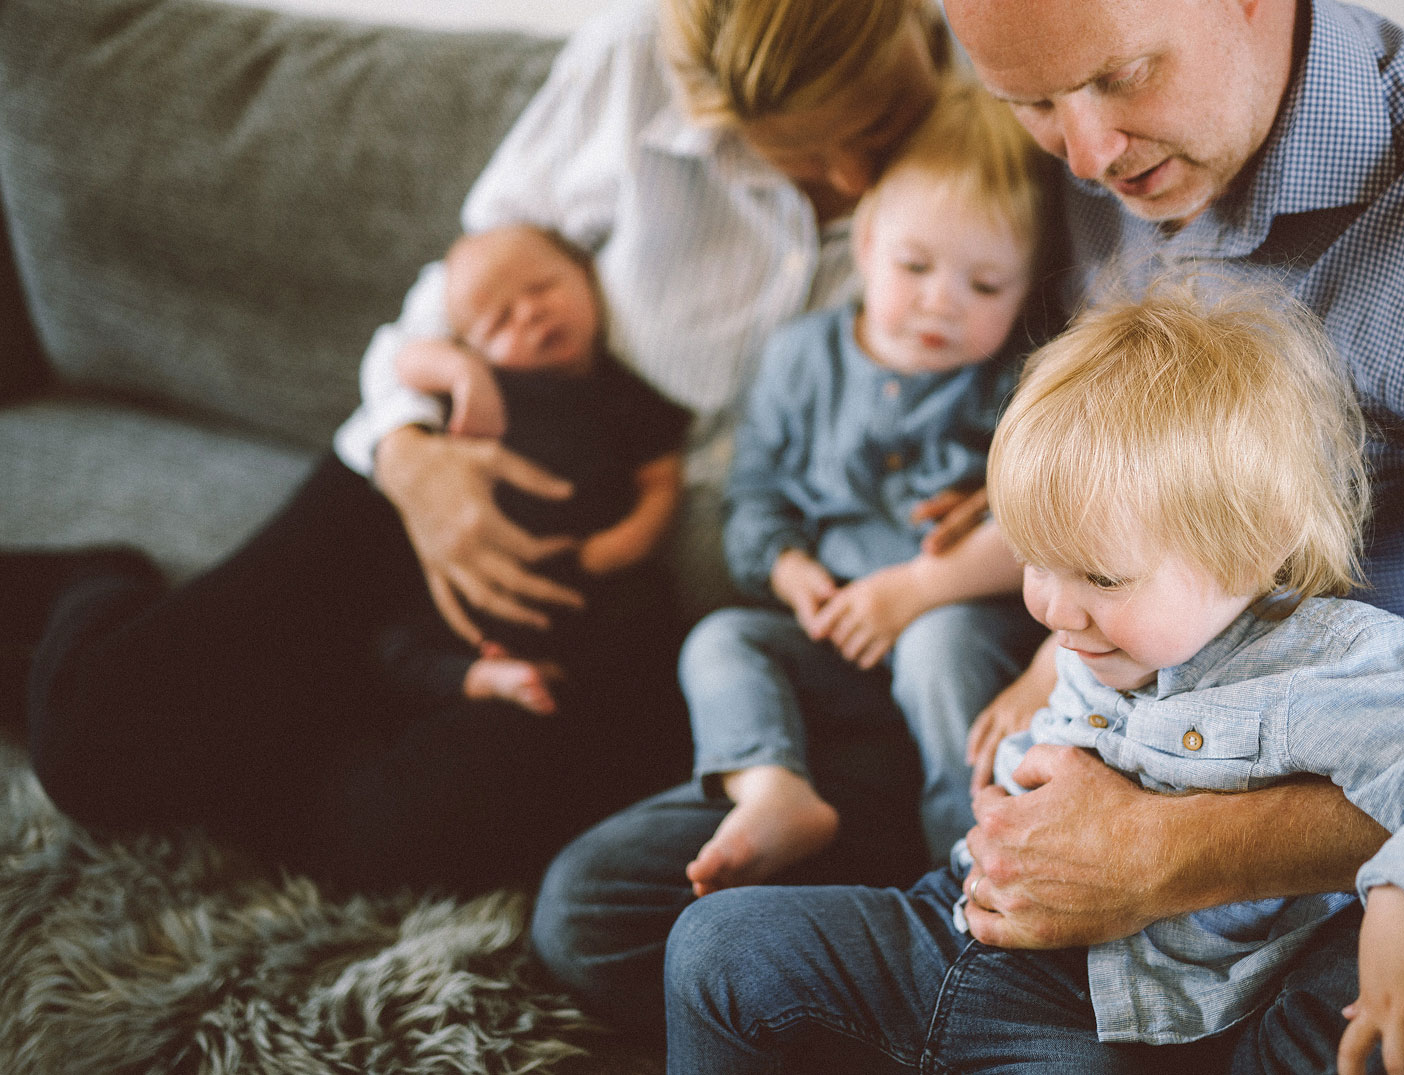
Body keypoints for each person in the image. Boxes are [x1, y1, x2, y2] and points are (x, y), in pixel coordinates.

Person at [534, 0, 1404, 1063]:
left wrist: (1166, 851)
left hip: (1345, 826)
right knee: (609, 915)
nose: (1087, 157)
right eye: (1032, 102)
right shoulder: (1057, 146)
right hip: (1074, 705)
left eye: (1121, 77)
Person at [10, 0, 953, 895]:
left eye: (876, 124)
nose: (852, 179)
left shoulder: (1000, 123)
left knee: (404, 830)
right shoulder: (637, 61)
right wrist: (409, 454)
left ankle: (311, 704)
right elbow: (470, 283)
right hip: (435, 473)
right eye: (788, 149)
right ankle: (97, 583)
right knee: (98, 745)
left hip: (609, 607)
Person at [663, 281, 1404, 1075]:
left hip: (1106, 1016)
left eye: (1100, 576)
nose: (1054, 609)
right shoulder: (1103, 636)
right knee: (714, 944)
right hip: (962, 921)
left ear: (1251, 548)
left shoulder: (1330, 663)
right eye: (1035, 559)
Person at [679, 82, 1049, 891]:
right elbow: (755, 496)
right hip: (834, 635)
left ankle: (967, 861)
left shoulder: (1016, 382)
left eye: (986, 286)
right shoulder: (799, 359)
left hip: (959, 633)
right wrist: (789, 570)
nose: (941, 302)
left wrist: (914, 591)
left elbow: (1049, 530)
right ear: (868, 242)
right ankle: (773, 787)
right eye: (915, 266)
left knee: (937, 645)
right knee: (720, 641)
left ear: (1027, 287)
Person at [381, 224, 689, 715]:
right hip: (473, 577)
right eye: (499, 321)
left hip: (591, 577)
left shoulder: (623, 394)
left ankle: (549, 680)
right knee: (399, 642)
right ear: (471, 345)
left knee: (647, 626)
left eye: (542, 288)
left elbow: (662, 481)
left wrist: (621, 545)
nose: (529, 313)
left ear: (587, 275)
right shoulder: (491, 384)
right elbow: (407, 360)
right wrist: (464, 372)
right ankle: (482, 676)